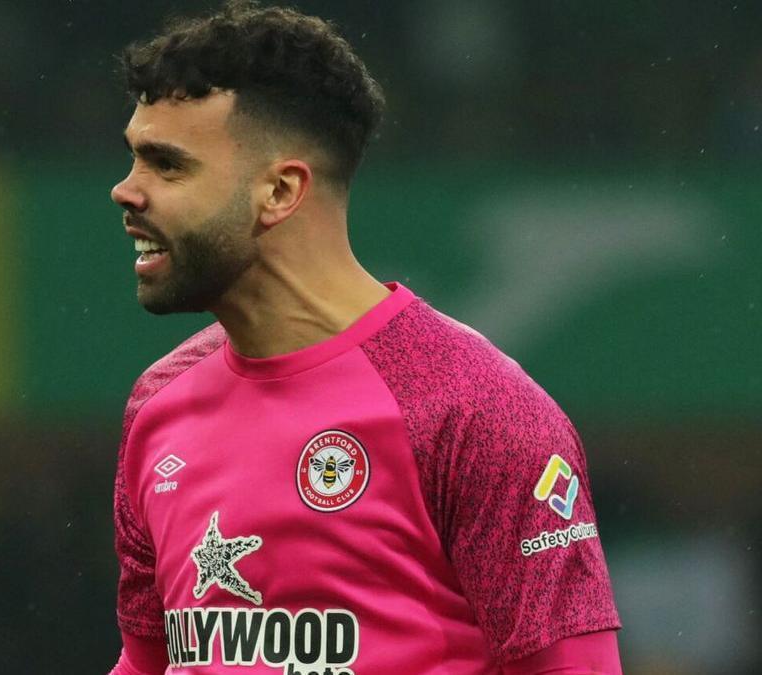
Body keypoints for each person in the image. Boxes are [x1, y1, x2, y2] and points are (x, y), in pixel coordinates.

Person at [107, 2, 621, 673]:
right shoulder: (158, 404)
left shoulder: (475, 410)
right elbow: (147, 663)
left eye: (166, 166)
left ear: (281, 191)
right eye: (134, 158)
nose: (125, 190)